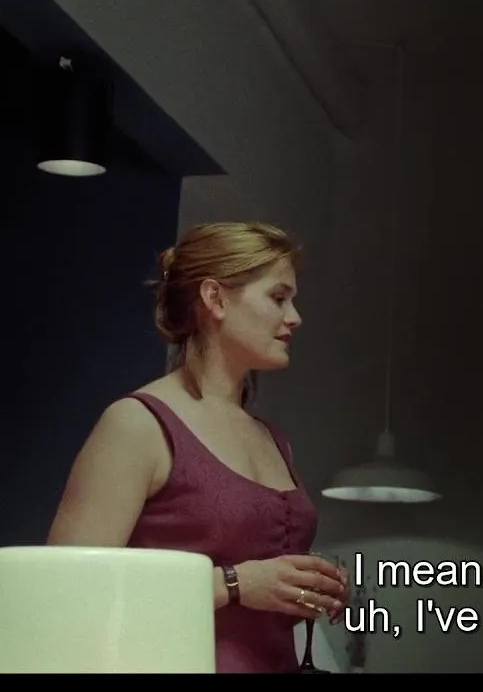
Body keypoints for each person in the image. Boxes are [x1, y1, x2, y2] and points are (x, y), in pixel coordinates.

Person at [48, 221, 348, 673]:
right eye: (278, 297)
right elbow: (63, 588)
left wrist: (307, 587)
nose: (295, 317)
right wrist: (235, 584)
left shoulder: (274, 439)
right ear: (215, 299)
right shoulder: (138, 423)